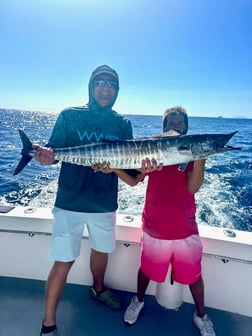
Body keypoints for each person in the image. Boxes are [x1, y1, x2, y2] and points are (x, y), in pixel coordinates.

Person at [33, 65, 133, 336]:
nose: (105, 88)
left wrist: (127, 168)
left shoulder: (122, 124)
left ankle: (98, 289)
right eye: (100, 82)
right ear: (91, 86)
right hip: (70, 202)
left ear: (117, 91)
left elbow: (131, 169)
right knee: (63, 261)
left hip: (104, 203)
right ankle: (48, 323)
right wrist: (45, 156)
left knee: (102, 252)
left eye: (111, 84)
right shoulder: (69, 116)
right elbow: (54, 152)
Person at [109, 107, 216, 336]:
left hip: (185, 230)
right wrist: (114, 167)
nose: (175, 127)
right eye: (170, 123)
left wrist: (200, 161)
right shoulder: (153, 149)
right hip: (153, 228)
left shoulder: (189, 156)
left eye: (179, 123)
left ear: (186, 127)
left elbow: (192, 188)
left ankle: (201, 315)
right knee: (145, 271)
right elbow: (133, 181)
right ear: (163, 127)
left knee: (194, 278)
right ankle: (138, 301)